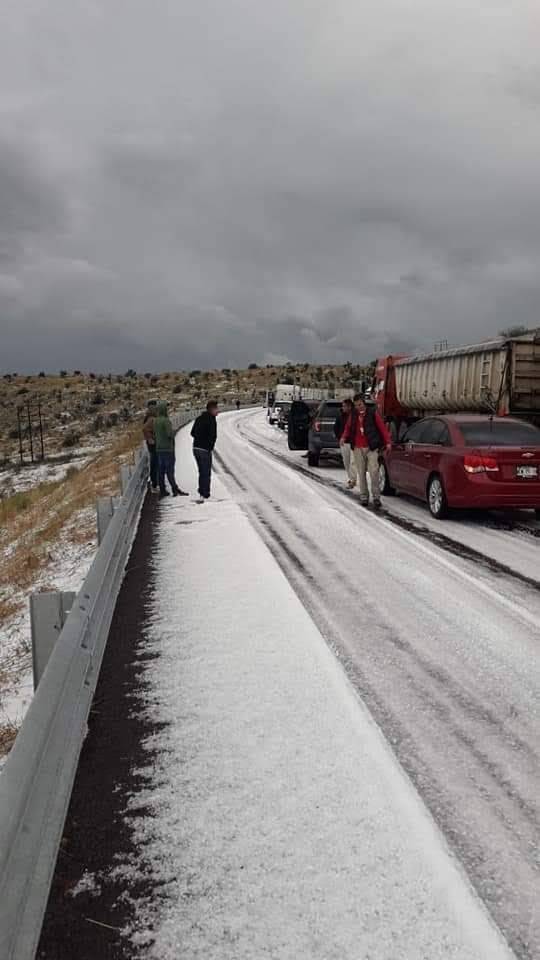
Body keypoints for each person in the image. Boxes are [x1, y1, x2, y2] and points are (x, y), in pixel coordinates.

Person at [341, 393, 392, 509]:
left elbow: (382, 428)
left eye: (360, 405)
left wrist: (388, 442)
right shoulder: (353, 415)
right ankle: (364, 496)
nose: (358, 407)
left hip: (371, 447)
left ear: (363, 403)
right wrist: (344, 437)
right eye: (356, 405)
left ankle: (376, 497)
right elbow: (348, 428)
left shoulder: (372, 413)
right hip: (358, 448)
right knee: (361, 472)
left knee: (374, 472)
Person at [154, 402, 188, 498]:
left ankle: (163, 490)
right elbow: (169, 434)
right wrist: (173, 433)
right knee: (170, 470)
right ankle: (174, 489)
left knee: (161, 471)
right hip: (168, 448)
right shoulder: (166, 421)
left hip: (159, 449)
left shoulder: (155, 421)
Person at [191, 400, 218, 503]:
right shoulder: (211, 420)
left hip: (196, 448)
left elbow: (192, 433)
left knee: (201, 471)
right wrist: (209, 446)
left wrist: (199, 438)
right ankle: (204, 493)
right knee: (206, 472)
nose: (218, 411)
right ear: (211, 409)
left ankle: (201, 491)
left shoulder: (199, 419)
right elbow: (213, 436)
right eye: (216, 409)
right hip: (205, 450)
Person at [334, 398, 357, 489]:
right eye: (342, 406)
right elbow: (336, 428)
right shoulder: (340, 417)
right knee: (346, 462)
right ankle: (351, 478)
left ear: (349, 406)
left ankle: (353, 480)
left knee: (353, 462)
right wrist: (339, 437)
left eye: (344, 406)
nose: (343, 408)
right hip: (344, 443)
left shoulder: (355, 416)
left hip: (354, 442)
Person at [142, 400, 158, 492]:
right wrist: (150, 439)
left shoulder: (149, 416)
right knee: (155, 463)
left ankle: (155, 483)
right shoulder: (151, 417)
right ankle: (154, 483)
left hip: (153, 443)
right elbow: (144, 429)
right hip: (154, 444)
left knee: (155, 462)